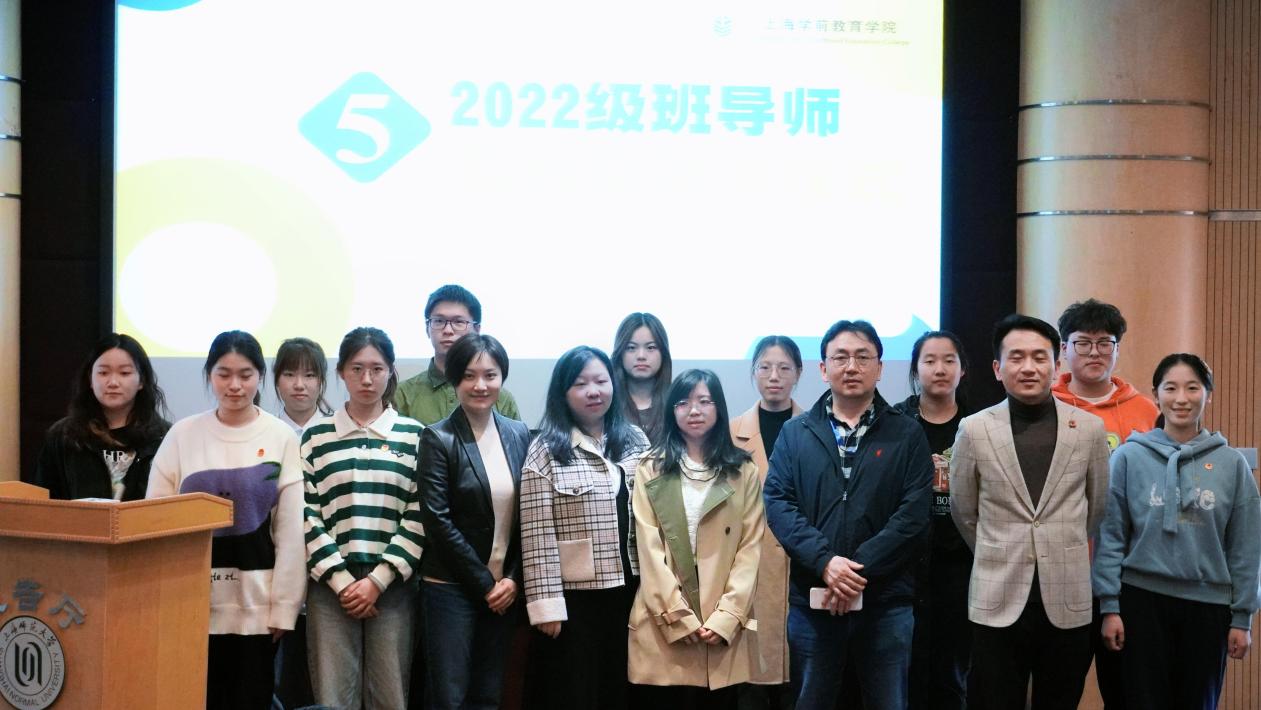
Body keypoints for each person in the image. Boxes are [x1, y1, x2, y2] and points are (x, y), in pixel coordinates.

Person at [763, 320, 933, 710]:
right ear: (824, 369)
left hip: (885, 602)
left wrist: (853, 573)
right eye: (840, 357)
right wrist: (826, 563)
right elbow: (779, 504)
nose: (851, 366)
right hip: (814, 600)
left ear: (880, 367)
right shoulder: (795, 432)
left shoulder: (907, 434)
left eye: (862, 357)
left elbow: (913, 515)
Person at [949, 314, 1111, 710]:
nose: (1028, 367)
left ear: (1056, 365)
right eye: (1016, 357)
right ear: (997, 368)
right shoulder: (974, 429)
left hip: (1068, 599)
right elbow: (963, 509)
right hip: (996, 596)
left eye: (1039, 357)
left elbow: (1096, 508)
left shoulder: (1089, 429)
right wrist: (997, 548)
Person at [146, 330, 305, 710]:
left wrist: (284, 606)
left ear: (260, 376)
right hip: (191, 606)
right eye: (224, 374)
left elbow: (290, 531)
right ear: (209, 375)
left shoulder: (281, 437)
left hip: (257, 609)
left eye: (245, 375)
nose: (235, 385)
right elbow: (154, 520)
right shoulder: (182, 435)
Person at [1093, 353, 1260, 710]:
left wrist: (1242, 618)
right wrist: (1109, 607)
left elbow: (1245, 547)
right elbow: (1111, 536)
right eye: (1170, 388)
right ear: (1156, 395)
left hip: (1208, 608)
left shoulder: (1232, 465)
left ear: (1208, 395)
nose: (1181, 398)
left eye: (1192, 388)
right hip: (1140, 602)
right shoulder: (1128, 457)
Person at [519, 346, 651, 710]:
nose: (594, 391)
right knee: (578, 692)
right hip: (576, 599)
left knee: (623, 690)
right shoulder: (545, 449)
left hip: (633, 589)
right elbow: (536, 533)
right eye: (580, 384)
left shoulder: (636, 441)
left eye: (601, 381)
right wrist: (546, 606)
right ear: (563, 392)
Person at [301, 327, 425, 710]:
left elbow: (418, 514)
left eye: (377, 368)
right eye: (357, 369)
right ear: (341, 372)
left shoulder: (415, 436)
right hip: (329, 588)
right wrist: (343, 583)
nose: (367, 379)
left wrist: (377, 580)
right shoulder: (315, 436)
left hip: (393, 588)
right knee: (332, 698)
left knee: (390, 696)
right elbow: (306, 514)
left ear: (391, 371)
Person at [628, 369, 764, 707]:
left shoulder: (742, 470)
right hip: (664, 623)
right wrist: (676, 616)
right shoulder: (651, 467)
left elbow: (750, 548)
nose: (694, 410)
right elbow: (649, 548)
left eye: (705, 401)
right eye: (683, 402)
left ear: (719, 408)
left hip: (721, 626)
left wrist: (726, 617)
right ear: (671, 410)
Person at [1052, 297, 1158, 710]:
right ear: (1064, 349)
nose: (1094, 352)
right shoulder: (1045, 406)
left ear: (1117, 348)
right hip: (1062, 573)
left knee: (1127, 690)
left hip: (1128, 576)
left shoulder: (1146, 411)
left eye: (1105, 343)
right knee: (1059, 689)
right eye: (1083, 343)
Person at [418, 333, 531, 710]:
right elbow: (437, 521)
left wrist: (512, 578)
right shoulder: (437, 438)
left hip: (504, 588)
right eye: (469, 375)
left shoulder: (518, 433)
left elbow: (530, 514)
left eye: (490, 375)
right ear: (455, 380)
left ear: (502, 378)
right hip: (451, 588)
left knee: (488, 695)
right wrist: (485, 585)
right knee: (449, 698)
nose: (480, 385)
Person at [892, 331, 974, 710]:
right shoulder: (895, 423)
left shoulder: (980, 425)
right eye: (929, 361)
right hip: (904, 568)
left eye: (949, 360)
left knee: (951, 676)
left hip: (961, 567)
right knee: (902, 675)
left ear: (962, 369)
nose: (939, 369)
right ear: (915, 370)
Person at [730, 336, 805, 710]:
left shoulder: (816, 429)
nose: (774, 376)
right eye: (765, 367)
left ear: (799, 373)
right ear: (753, 372)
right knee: (751, 686)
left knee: (801, 683)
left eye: (784, 368)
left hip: (801, 569)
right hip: (748, 573)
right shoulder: (731, 433)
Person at [34, 332, 170, 501]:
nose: (113, 382)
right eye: (103, 373)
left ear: (141, 380)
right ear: (90, 379)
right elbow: (44, 501)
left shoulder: (164, 436)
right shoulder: (63, 436)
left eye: (124, 373)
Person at [394, 284, 521, 425]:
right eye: (439, 321)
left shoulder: (502, 399)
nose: (448, 330)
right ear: (427, 328)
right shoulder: (402, 395)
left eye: (459, 322)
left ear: (477, 330)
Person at [612, 312, 673, 445]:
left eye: (651, 347)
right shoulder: (607, 403)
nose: (641, 356)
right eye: (631, 348)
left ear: (663, 353)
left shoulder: (677, 402)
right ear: (620, 353)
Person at [274, 336, 333, 434]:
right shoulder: (265, 431)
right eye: (290, 375)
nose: (299, 385)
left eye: (309, 375)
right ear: (277, 380)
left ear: (322, 380)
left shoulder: (337, 430)